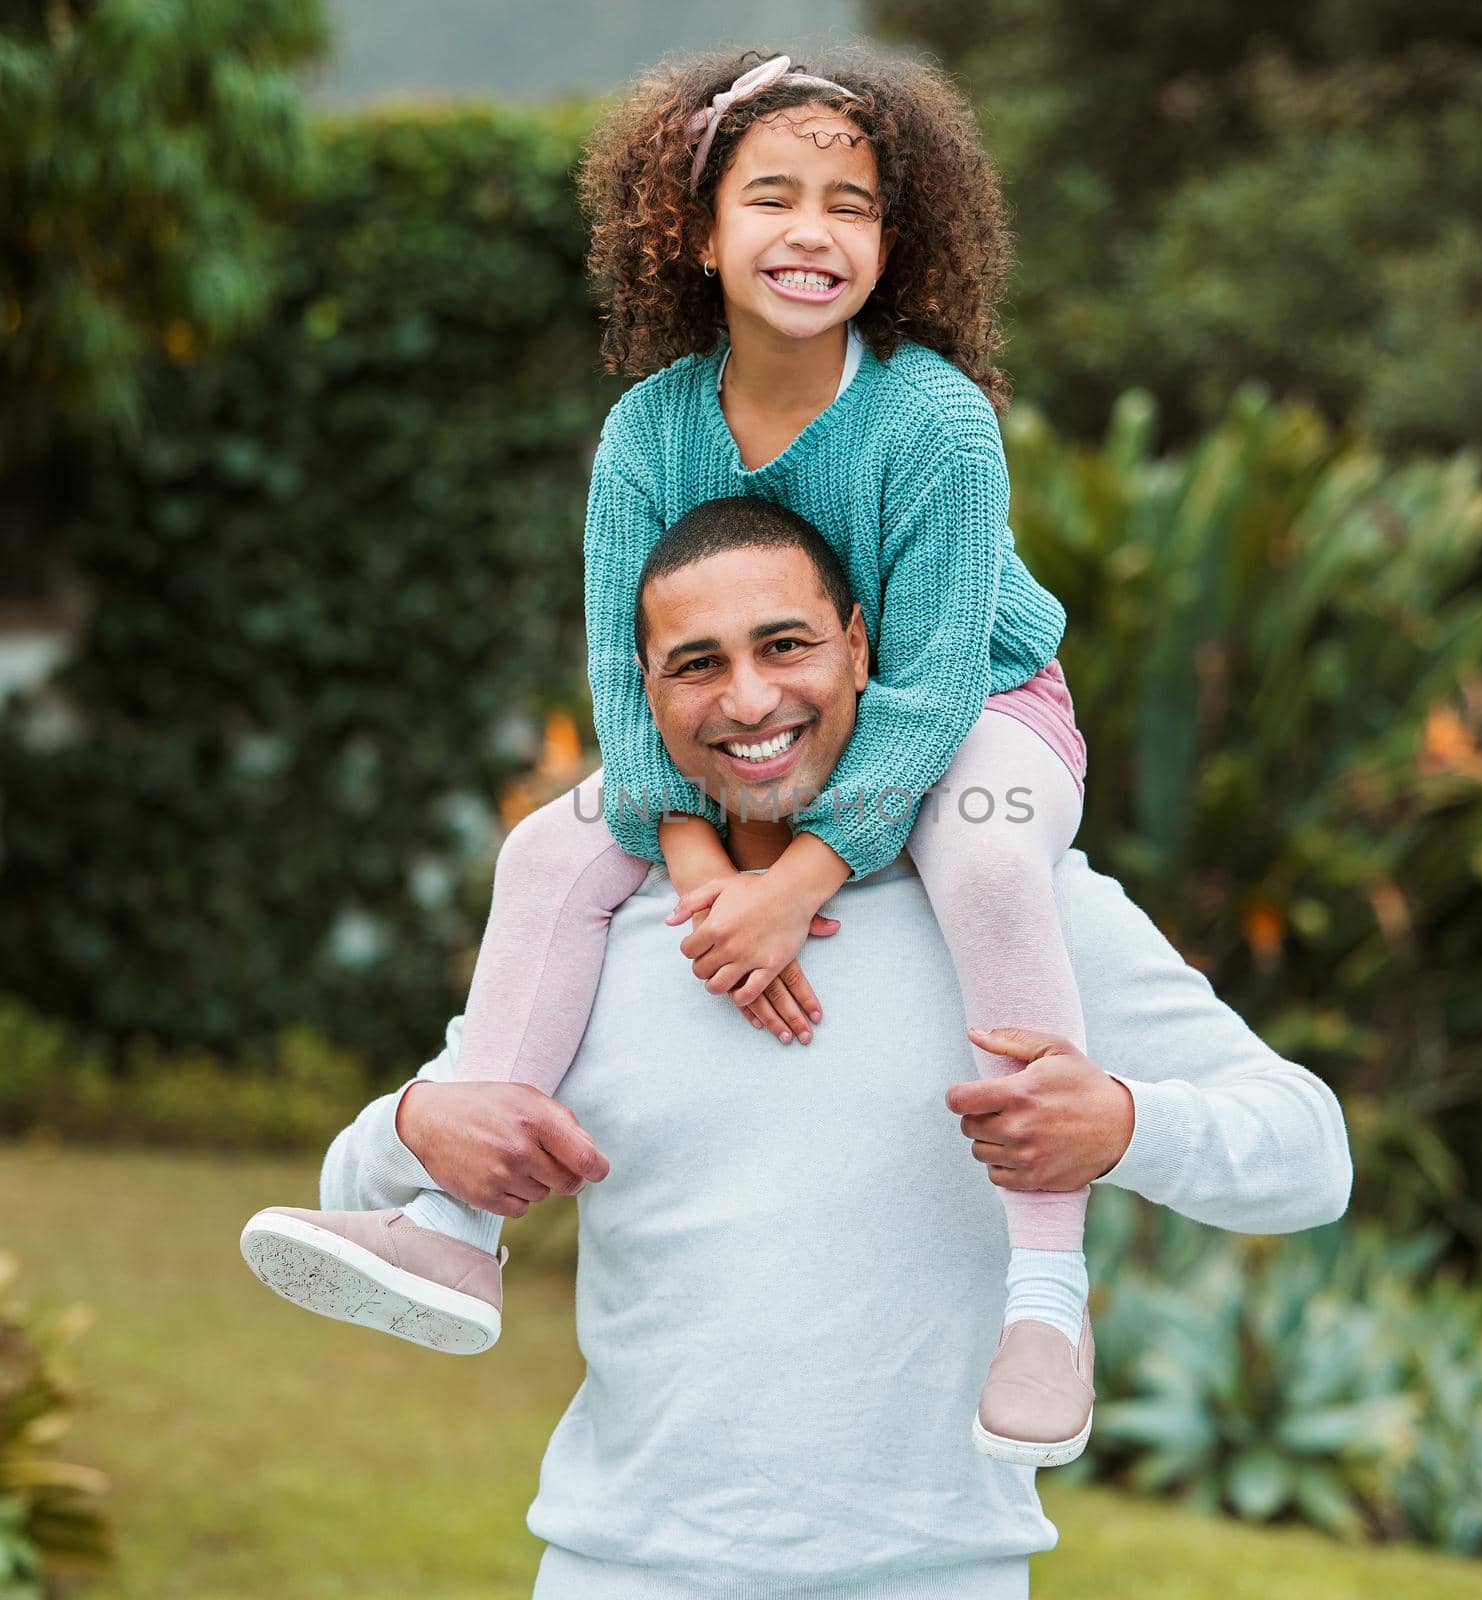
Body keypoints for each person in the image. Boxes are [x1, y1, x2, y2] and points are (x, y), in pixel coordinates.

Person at [256, 43, 1112, 1463]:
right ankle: (453, 1226)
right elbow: (623, 672)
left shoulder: (937, 423)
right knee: (545, 850)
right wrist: (706, 867)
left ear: (897, 246)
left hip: (980, 711)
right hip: (741, 739)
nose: (812, 232)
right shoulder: (648, 431)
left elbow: (928, 684)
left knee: (992, 861)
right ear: (697, 232)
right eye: (773, 196)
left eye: (854, 205)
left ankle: (1046, 1294)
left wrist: (799, 886)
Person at [307, 504, 1354, 1600]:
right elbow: (354, 1181)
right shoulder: (597, 928)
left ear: (860, 647)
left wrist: (1126, 1125)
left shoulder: (1019, 911)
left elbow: (1311, 1154)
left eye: (785, 644)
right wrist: (416, 1125)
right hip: (618, 1570)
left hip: (934, 1577)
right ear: (643, 692)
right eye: (697, 664)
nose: (749, 699)